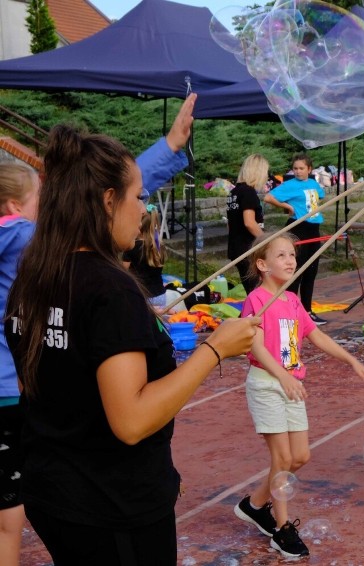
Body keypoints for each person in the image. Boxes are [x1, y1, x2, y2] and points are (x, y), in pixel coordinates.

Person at [3, 124, 258, 565]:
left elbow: (49, 383)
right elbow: (132, 420)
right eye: (138, 196)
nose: (142, 210)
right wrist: (214, 350)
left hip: (55, 490)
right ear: (107, 200)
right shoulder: (108, 288)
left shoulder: (36, 272)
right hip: (111, 506)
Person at [234, 233, 364, 559]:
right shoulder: (257, 300)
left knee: (300, 457)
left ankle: (255, 505)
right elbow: (253, 344)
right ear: (262, 264)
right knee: (282, 460)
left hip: (291, 385)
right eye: (281, 255)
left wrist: (351, 359)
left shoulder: (293, 301)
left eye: (292, 256)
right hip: (268, 384)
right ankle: (281, 530)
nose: (290, 261)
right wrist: (281, 375)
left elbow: (316, 335)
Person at [0, 163, 39, 566]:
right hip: (7, 391)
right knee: (8, 513)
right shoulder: (22, 232)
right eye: (37, 200)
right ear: (14, 205)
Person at [265, 153, 327, 325]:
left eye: (301, 168)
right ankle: (290, 309)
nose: (298, 172)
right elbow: (268, 197)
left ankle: (307, 311)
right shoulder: (290, 185)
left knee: (311, 270)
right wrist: (287, 206)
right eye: (295, 169)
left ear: (309, 169)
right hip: (298, 228)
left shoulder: (314, 183)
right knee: (295, 270)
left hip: (314, 228)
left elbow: (320, 197)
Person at [228, 154, 269, 294]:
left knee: (252, 291)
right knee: (258, 292)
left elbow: (230, 224)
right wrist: (266, 240)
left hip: (236, 247)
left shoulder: (234, 192)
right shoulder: (248, 192)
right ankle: (253, 315)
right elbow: (249, 222)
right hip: (247, 249)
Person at [123, 204, 168, 310]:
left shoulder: (132, 247)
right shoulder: (158, 246)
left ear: (139, 226)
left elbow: (122, 272)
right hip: (160, 296)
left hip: (142, 296)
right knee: (159, 325)